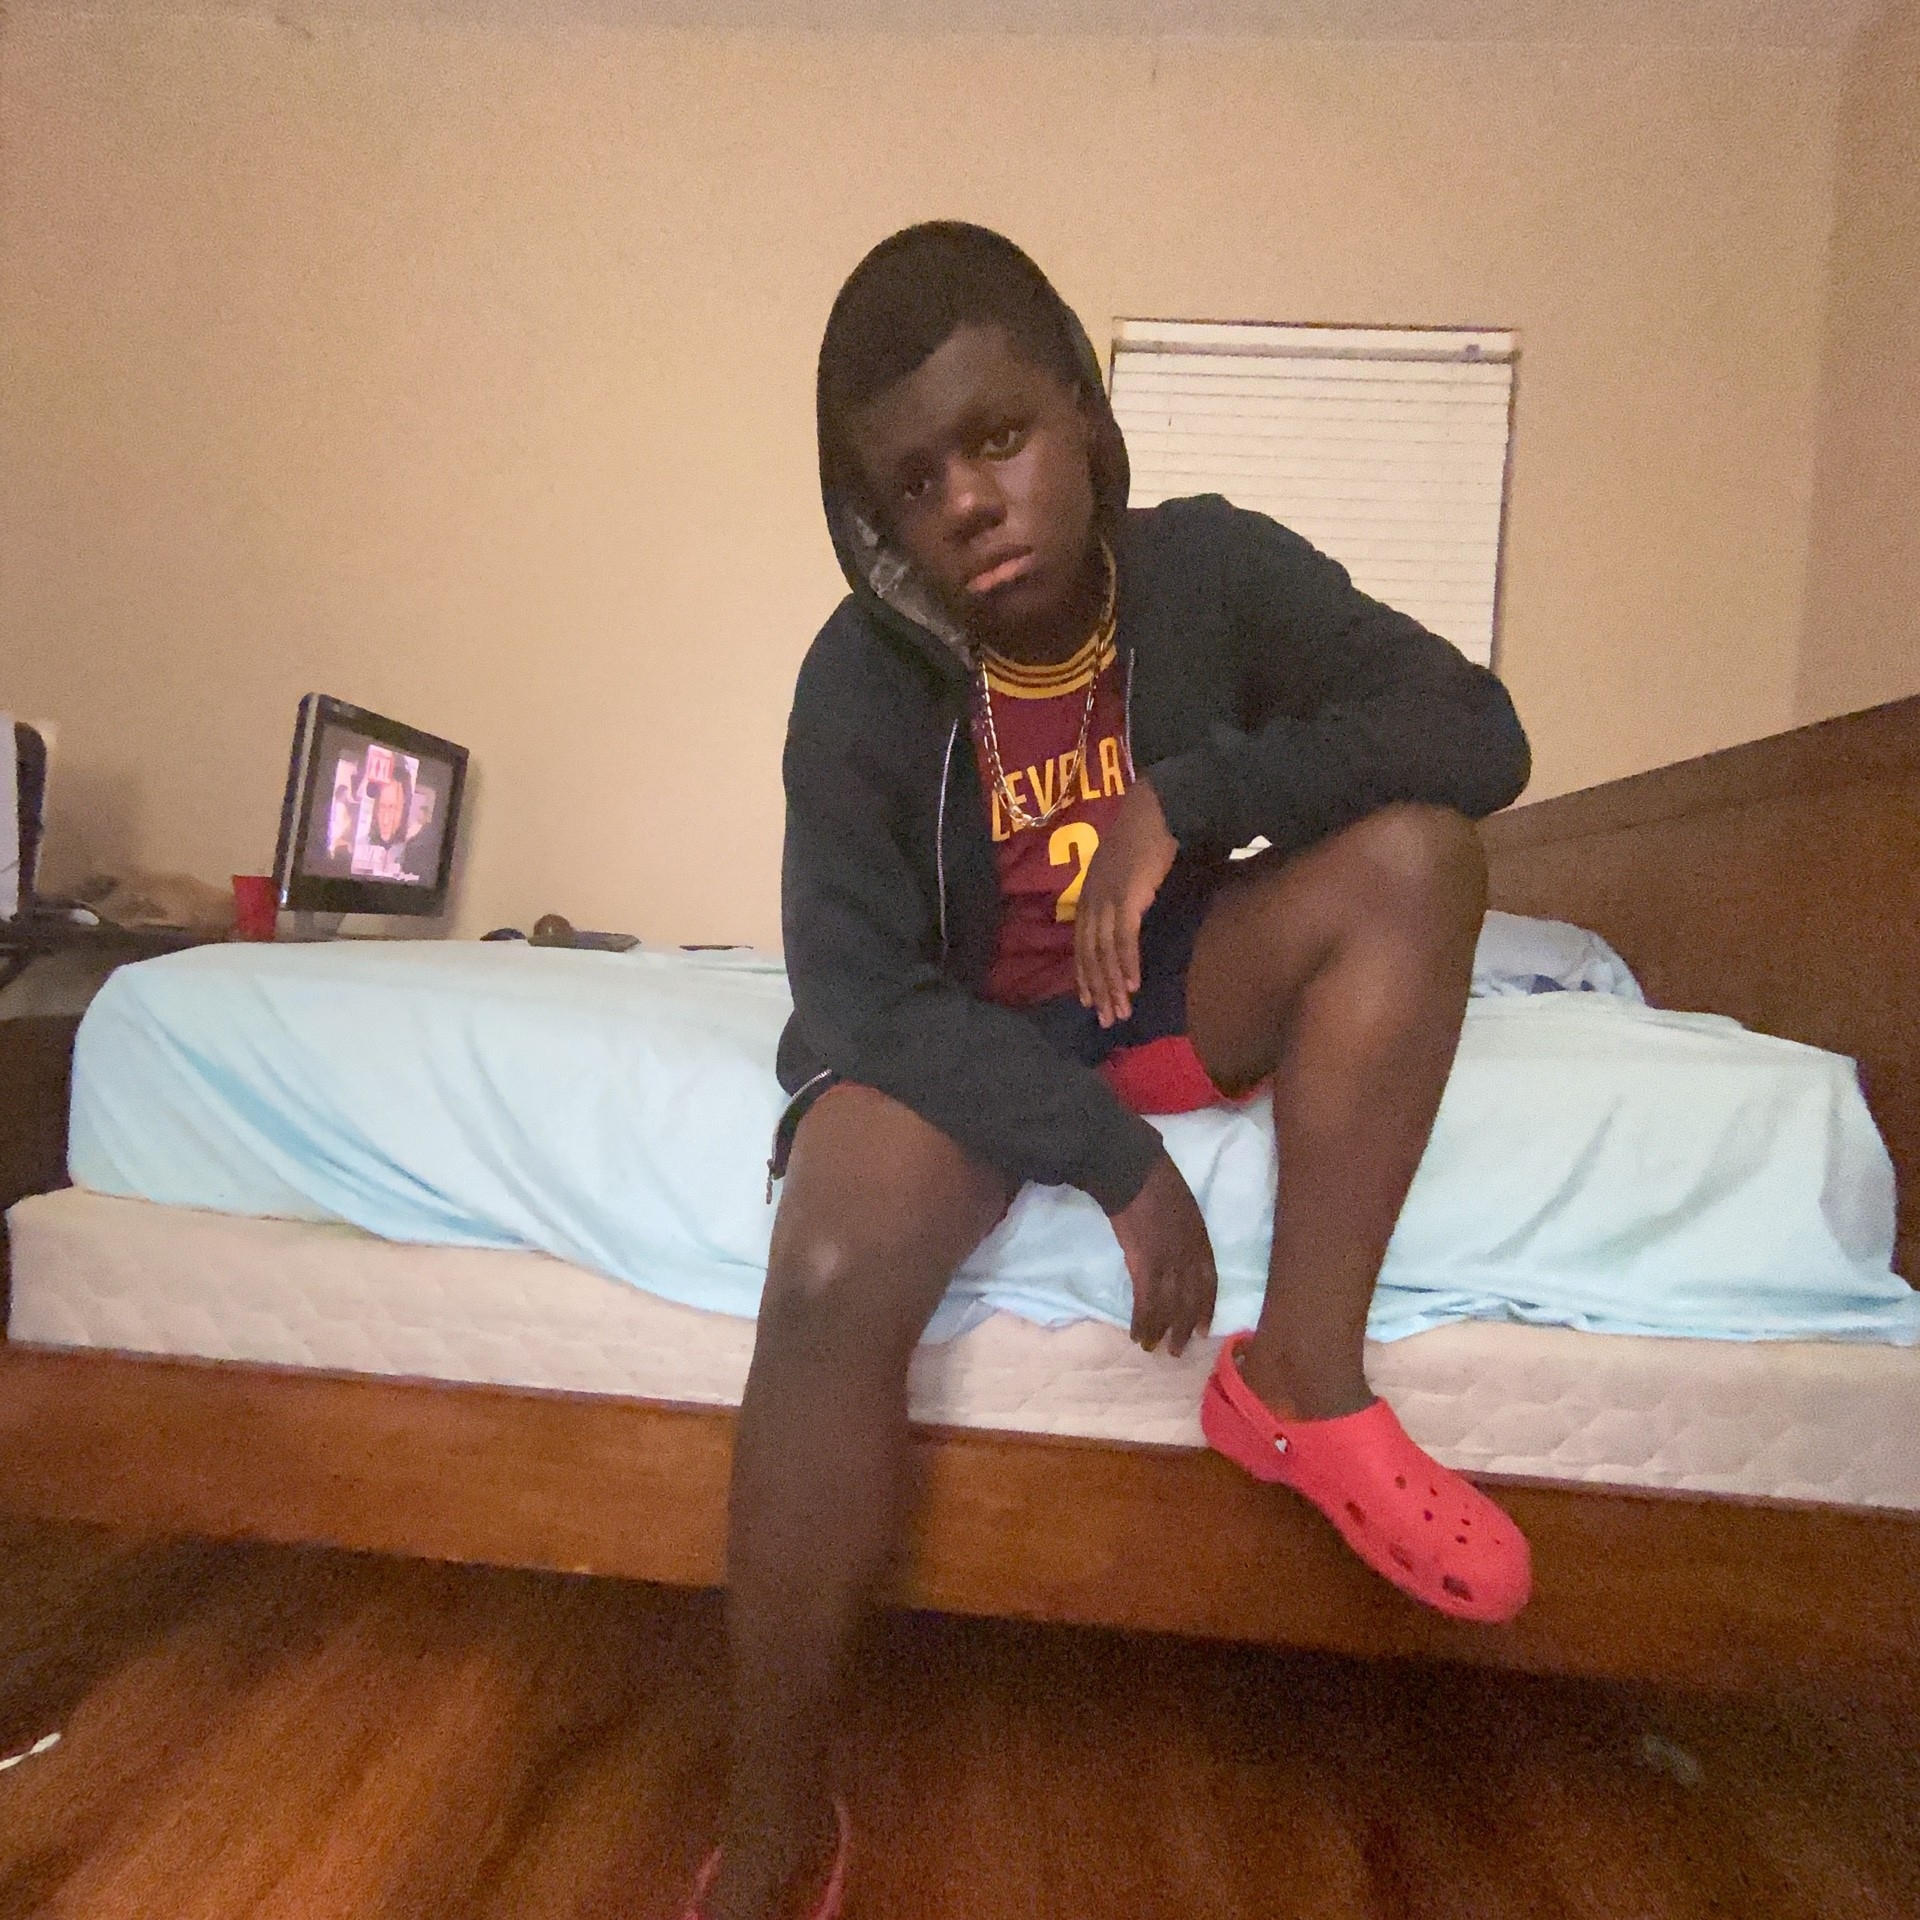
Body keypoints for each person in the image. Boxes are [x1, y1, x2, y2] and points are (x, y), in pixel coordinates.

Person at [689, 224, 1534, 1920]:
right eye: (913, 482)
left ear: (1080, 409)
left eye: (999, 437)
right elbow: (855, 991)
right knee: (831, 1264)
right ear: (875, 512)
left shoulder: (1211, 569)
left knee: (1420, 860)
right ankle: (775, 1819)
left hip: (1163, 977)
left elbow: (1474, 730)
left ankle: (1303, 1380)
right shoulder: (857, 677)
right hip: (957, 1036)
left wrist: (1194, 796)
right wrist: (1115, 1160)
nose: (969, 503)